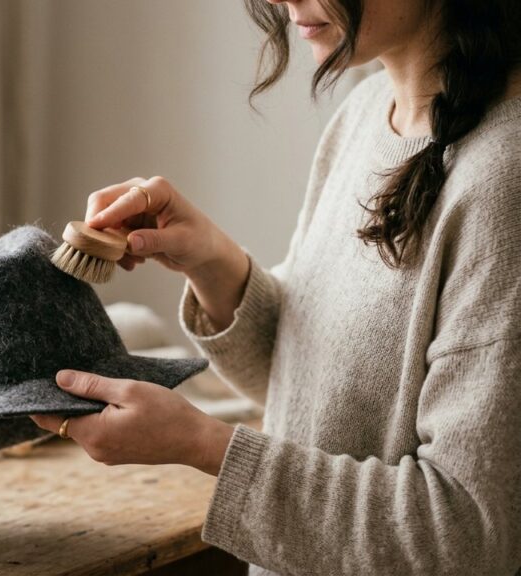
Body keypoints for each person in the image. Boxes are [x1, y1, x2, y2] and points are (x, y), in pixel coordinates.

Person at [30, 0, 521, 574]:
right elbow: (311, 392)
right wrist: (211, 261)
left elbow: (464, 534)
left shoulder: (503, 181)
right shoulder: (365, 113)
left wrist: (201, 444)